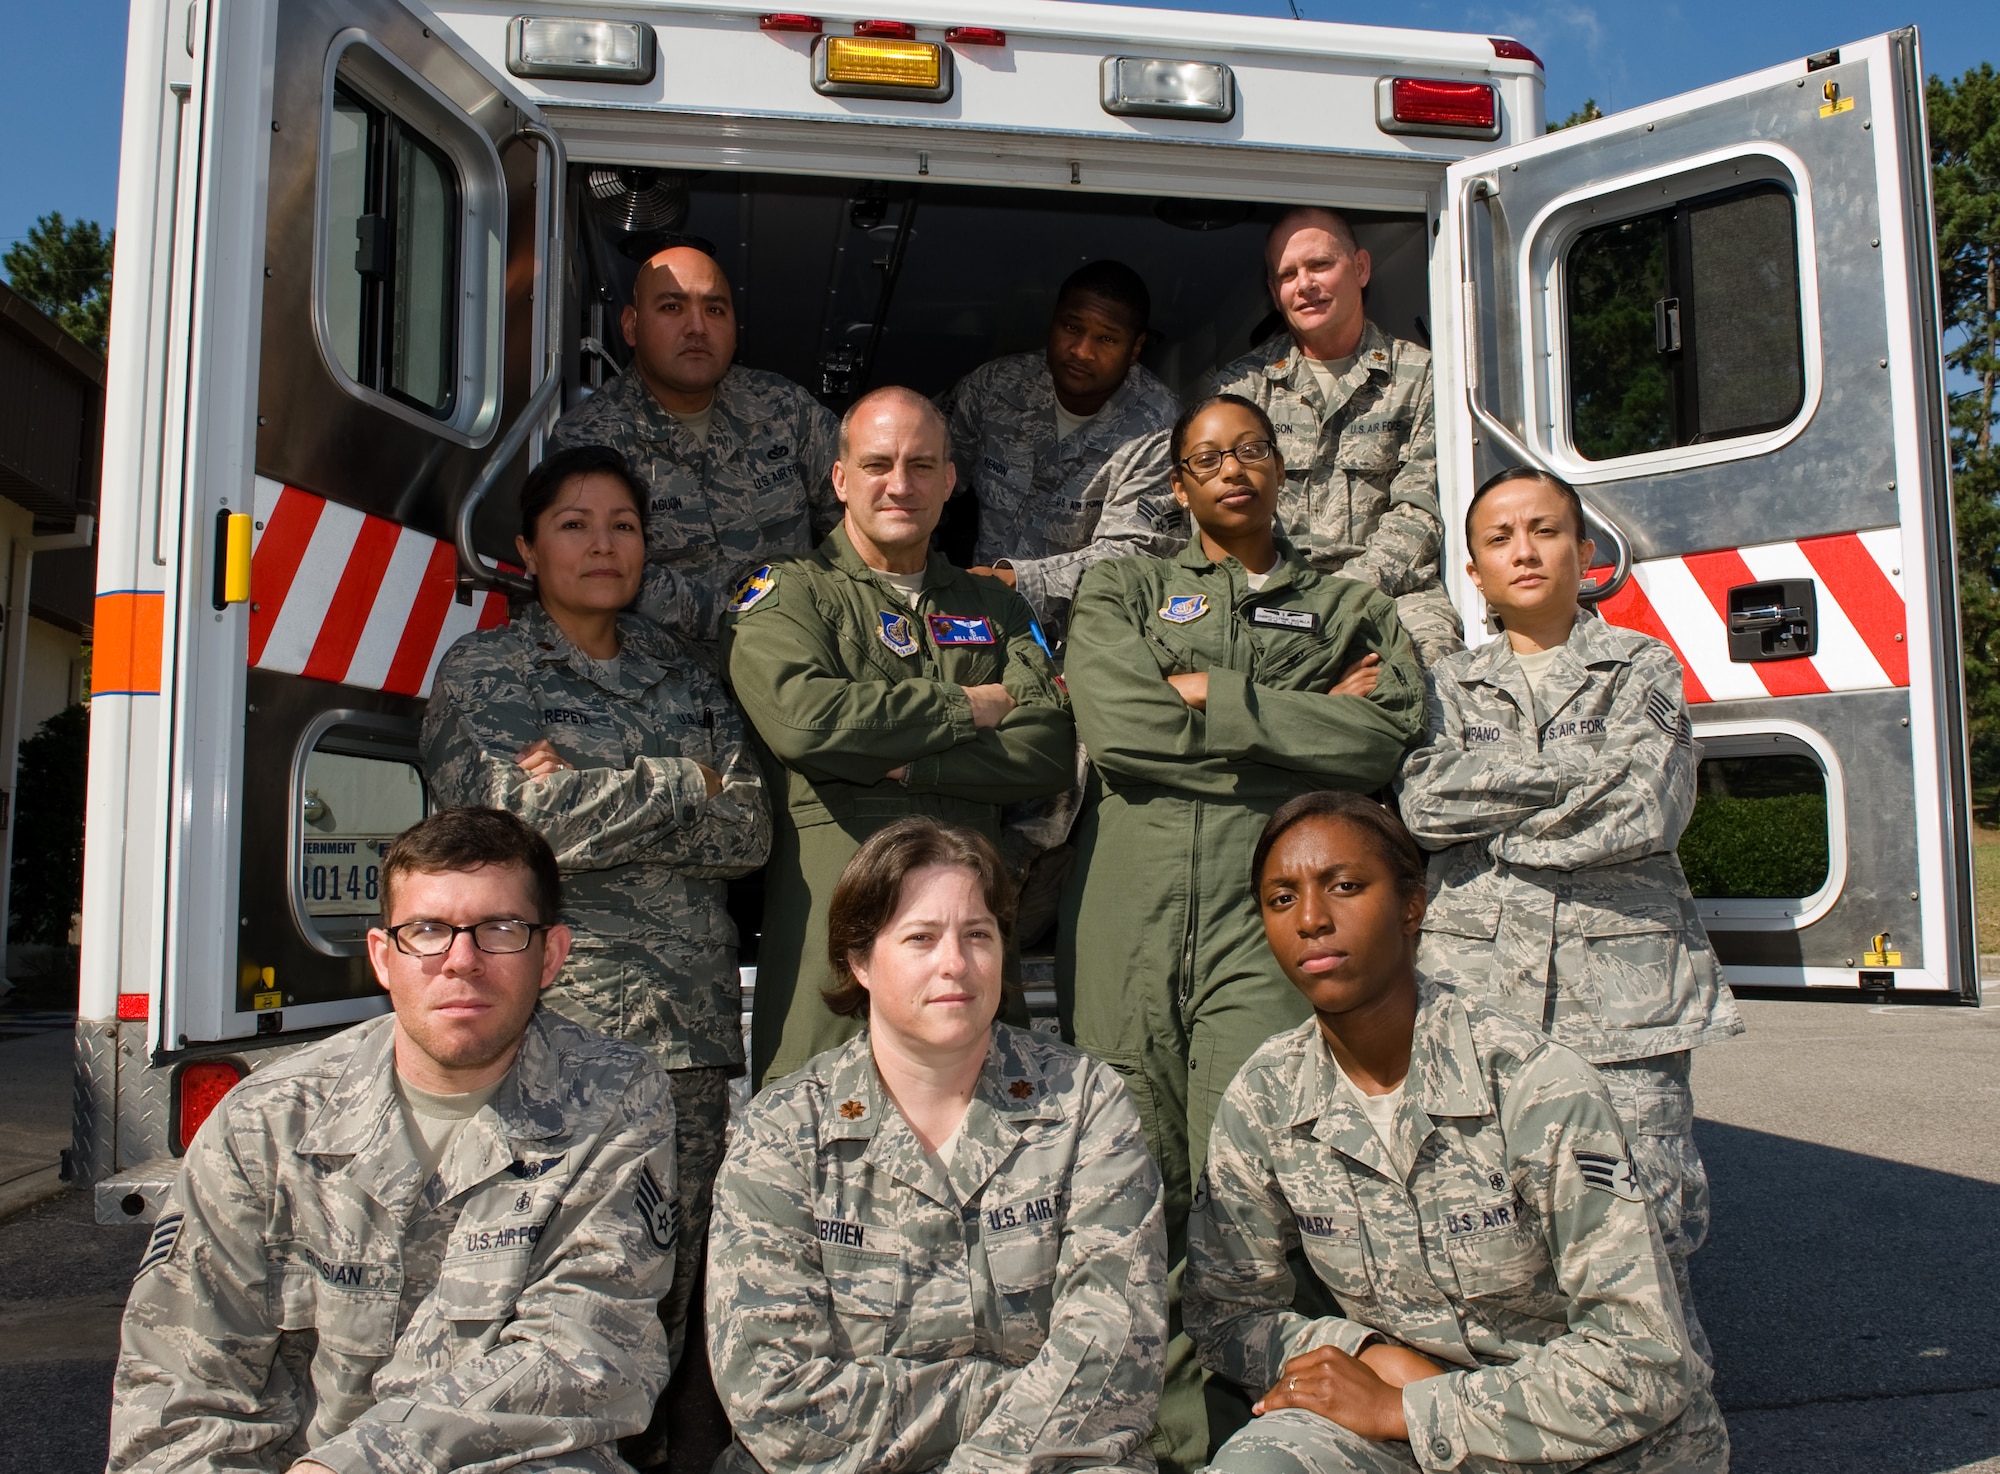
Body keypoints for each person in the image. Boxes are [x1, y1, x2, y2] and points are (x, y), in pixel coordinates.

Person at [1059, 392, 1426, 1473]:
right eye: (1205, 457)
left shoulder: (1347, 605)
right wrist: (1289, 719)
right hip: (1123, 913)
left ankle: (1255, 1433)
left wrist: (1205, 694)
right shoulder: (1123, 585)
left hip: (1263, 914)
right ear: (1176, 487)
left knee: (1250, 1184)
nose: (1230, 469)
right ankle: (1145, 1428)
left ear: (1280, 472)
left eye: (1250, 450)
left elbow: (1381, 736)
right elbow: (1119, 729)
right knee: (1127, 1182)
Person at [108, 808, 679, 1474]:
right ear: (384, 956)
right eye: (428, 931)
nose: (461, 962)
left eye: (500, 929)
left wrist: (361, 1464)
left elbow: (584, 1349)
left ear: (550, 955)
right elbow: (179, 1384)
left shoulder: (613, 1101)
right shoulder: (266, 1121)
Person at [1185, 791, 1729, 1474]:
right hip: (1390, 1438)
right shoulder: (1266, 1097)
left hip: (1591, 1447)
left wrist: (1415, 1406)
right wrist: (1361, 1357)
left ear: (1413, 905)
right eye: (1282, 899)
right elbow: (1224, 1312)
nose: (1313, 920)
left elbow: (1647, 1358)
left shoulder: (1534, 1087)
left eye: (1346, 886)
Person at [421, 443, 770, 1462]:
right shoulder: (483, 670)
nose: (601, 543)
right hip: (540, 1030)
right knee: (521, 1276)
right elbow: (497, 827)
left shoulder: (682, 674)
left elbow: (747, 829)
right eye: (573, 523)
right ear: (527, 548)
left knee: (661, 1287)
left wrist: (582, 786)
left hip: (682, 1036)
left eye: (621, 524)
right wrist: (677, 783)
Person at [1393, 466, 1743, 1366]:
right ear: (1473, 570)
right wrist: (1567, 786)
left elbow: (1646, 807)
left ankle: (1670, 1438)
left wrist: (1500, 825)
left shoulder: (1643, 664)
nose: (1523, 549)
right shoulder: (1445, 685)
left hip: (1622, 1012)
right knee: (1498, 1235)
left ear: (1585, 554)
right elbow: (1425, 806)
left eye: (1544, 530)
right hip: (1479, 1002)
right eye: (1500, 536)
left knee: (1647, 1231)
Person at [706, 818, 1168, 1474]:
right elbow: (774, 1398)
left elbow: (1118, 1363)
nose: (955, 963)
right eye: (920, 938)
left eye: (978, 935)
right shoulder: (786, 1133)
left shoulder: (1085, 1104)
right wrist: (1002, 1401)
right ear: (861, 960)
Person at [722, 386, 1075, 1087]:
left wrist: (912, 769)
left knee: (995, 1148)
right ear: (841, 479)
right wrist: (968, 705)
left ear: (950, 481)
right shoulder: (786, 594)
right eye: (879, 463)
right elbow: (805, 721)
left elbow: (1050, 748)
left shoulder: (995, 605)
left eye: (921, 465)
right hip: (833, 950)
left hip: (968, 952)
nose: (899, 484)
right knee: (817, 1150)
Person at [1073, 209, 1463, 667]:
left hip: (1392, 590)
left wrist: (1348, 594)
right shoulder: (1242, 386)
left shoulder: (1424, 376)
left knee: (1433, 679)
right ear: (1275, 295)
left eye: (1319, 265)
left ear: (1360, 267)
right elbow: (1214, 508)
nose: (1304, 284)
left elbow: (1421, 506)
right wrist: (1284, 595)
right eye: (1287, 274)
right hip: (1269, 584)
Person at [549, 243, 840, 650]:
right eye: (672, 307)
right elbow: (600, 567)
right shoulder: (589, 438)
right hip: (660, 679)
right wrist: (747, 622)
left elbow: (858, 519)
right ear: (631, 326)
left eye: (715, 310)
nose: (697, 327)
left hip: (796, 659)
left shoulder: (783, 407)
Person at [942, 259, 1179, 639]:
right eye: (1071, 327)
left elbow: (1134, 557)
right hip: (978, 621)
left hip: (1085, 639)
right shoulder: (993, 388)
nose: (1082, 351)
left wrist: (1011, 580)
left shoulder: (1159, 430)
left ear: (1135, 348)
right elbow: (927, 479)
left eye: (1106, 338)